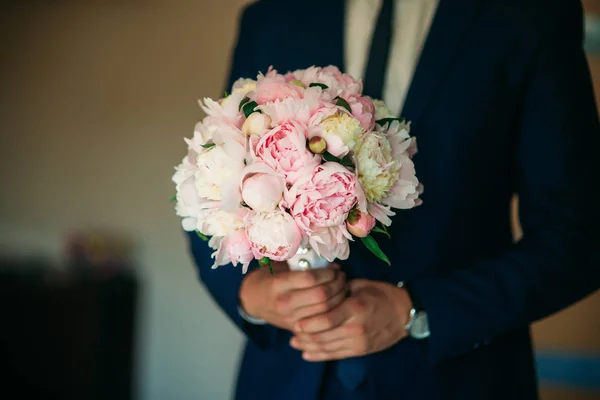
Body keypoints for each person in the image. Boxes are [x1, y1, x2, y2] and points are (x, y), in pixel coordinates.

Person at [185, 0, 600, 399]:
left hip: (455, 375)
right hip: (288, 376)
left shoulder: (529, 14)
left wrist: (418, 311)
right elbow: (215, 179)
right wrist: (252, 291)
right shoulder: (273, 17)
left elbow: (577, 237)